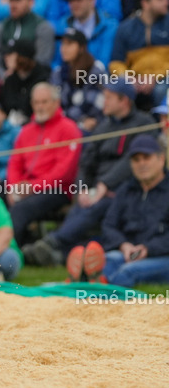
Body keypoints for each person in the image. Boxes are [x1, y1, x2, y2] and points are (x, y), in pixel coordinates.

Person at [22, 80, 154, 267]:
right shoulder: (103, 126)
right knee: (83, 205)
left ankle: (53, 243)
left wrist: (104, 185)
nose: (103, 102)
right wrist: (83, 188)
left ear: (124, 101)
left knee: (95, 206)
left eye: (108, 97)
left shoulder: (143, 124)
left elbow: (130, 162)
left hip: (125, 190)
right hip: (95, 189)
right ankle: (57, 254)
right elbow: (86, 163)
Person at [85, 135, 169, 287]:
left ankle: (97, 296)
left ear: (161, 159)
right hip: (128, 253)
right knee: (108, 260)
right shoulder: (126, 190)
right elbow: (109, 225)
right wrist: (124, 245)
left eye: (146, 158)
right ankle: (92, 288)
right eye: (136, 160)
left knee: (128, 272)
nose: (141, 164)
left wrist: (148, 249)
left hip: (163, 256)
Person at [5, 83, 82, 246]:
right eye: (36, 102)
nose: (40, 107)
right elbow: (14, 163)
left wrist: (31, 187)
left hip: (57, 190)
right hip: (25, 188)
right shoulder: (26, 131)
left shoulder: (68, 129)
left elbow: (63, 173)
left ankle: (5, 255)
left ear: (56, 103)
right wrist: (14, 187)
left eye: (44, 102)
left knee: (21, 209)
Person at [109, 0, 169, 110]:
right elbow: (116, 62)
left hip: (164, 77)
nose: (166, 2)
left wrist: (155, 77)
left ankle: (163, 127)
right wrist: (130, 79)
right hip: (136, 80)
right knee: (115, 89)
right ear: (145, 3)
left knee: (161, 89)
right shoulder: (126, 28)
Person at [0, 0, 57, 74]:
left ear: (31, 2)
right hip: (5, 79)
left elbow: (42, 60)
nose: (13, 5)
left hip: (32, 79)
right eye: (11, 0)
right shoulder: (2, 27)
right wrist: (3, 76)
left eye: (18, 0)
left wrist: (20, 77)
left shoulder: (42, 27)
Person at [51, 27, 106, 131]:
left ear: (81, 48)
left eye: (69, 44)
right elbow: (54, 103)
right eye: (63, 44)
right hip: (63, 125)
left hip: (91, 127)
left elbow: (97, 103)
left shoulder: (95, 70)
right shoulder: (58, 72)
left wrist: (76, 120)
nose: (64, 48)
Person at [0, 40, 52, 126]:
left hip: (36, 126)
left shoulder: (43, 78)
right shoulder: (10, 80)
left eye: (10, 54)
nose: (6, 57)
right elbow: (3, 107)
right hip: (10, 127)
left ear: (22, 57)